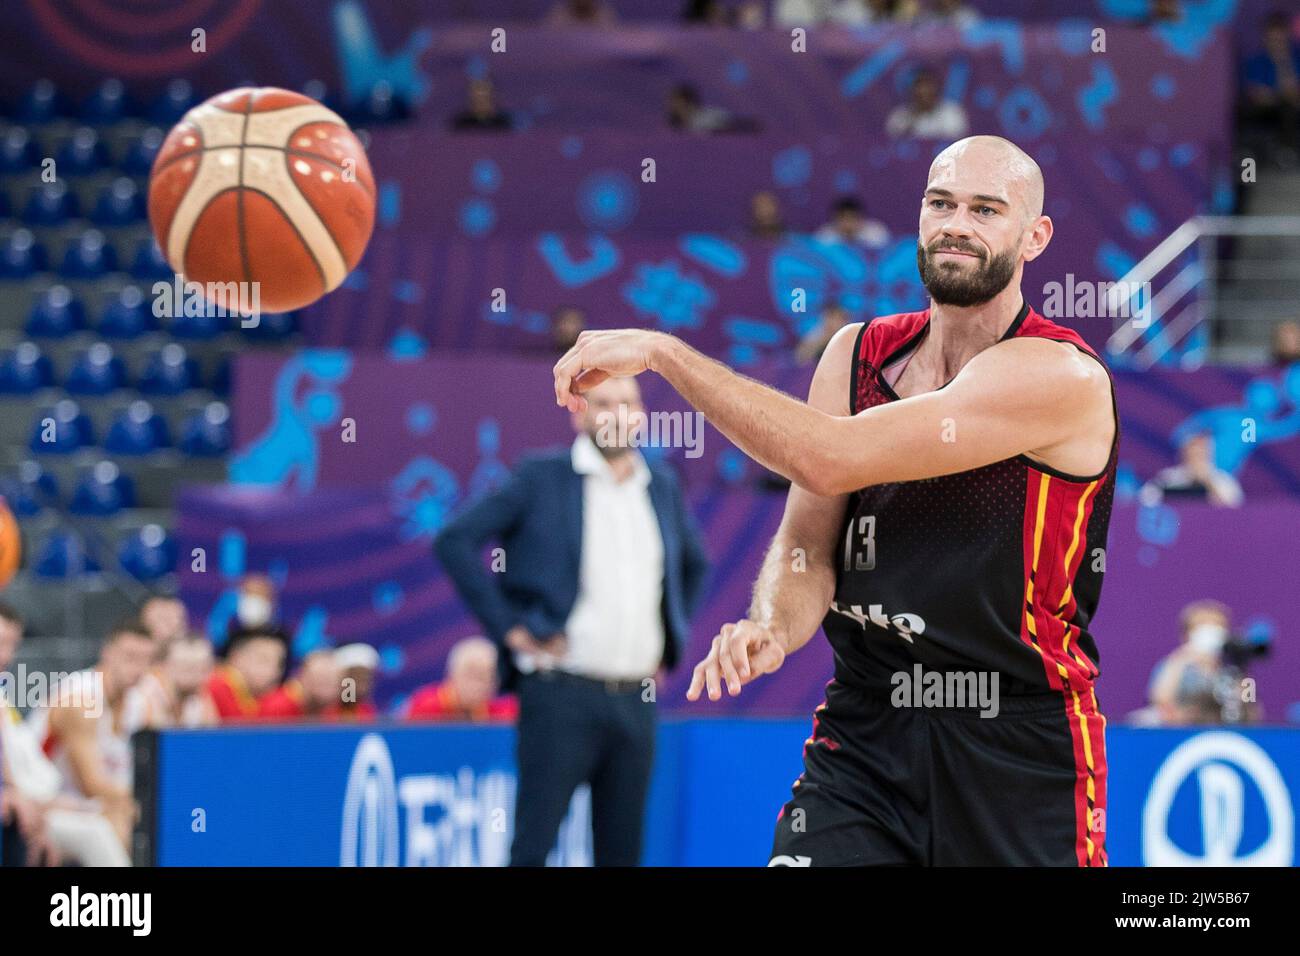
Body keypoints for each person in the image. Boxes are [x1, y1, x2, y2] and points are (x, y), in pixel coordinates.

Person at [553, 135, 1119, 866]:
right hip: (867, 733)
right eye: (941, 203)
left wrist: (666, 354)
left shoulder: (1059, 375)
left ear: (1034, 236)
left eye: (986, 210)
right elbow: (808, 547)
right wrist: (773, 624)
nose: (958, 224)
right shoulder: (854, 355)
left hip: (1015, 744)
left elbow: (827, 455)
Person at [435, 376, 709, 866]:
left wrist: (669, 644)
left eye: (627, 403)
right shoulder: (542, 477)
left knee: (622, 853)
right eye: (603, 404)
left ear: (643, 413)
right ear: (578, 413)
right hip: (560, 694)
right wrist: (511, 629)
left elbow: (694, 564)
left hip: (635, 700)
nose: (617, 414)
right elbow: (455, 540)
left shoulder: (660, 484)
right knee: (533, 847)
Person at [25, 620, 156, 861]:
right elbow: (92, 785)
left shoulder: (141, 703)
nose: (138, 668)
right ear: (107, 653)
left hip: (90, 806)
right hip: (47, 803)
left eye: (146, 659)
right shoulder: (80, 700)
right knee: (117, 818)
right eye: (130, 657)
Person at [1146, 601, 1250, 725]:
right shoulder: (1171, 665)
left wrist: (1241, 669)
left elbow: (1250, 708)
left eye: (1218, 627)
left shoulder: (1232, 669)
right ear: (1187, 635)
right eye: (1203, 627)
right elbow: (1160, 700)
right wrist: (1181, 660)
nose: (1211, 635)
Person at [403, 637, 519, 722]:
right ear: (451, 675)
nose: (479, 685)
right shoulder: (424, 706)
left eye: (489, 678)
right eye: (472, 676)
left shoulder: (503, 713)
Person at [1242, 12, 1300, 167]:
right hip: (1270, 114)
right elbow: (1258, 96)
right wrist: (1285, 94)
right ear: (1265, 39)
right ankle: (1286, 154)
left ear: (1288, 37)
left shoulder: (1297, 59)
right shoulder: (1256, 63)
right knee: (1287, 107)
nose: (1277, 44)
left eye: (1281, 40)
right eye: (1273, 40)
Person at [1139, 432, 1243, 507]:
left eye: (1202, 449)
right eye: (1193, 448)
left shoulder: (1224, 481)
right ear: (1184, 452)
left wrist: (1206, 481)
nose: (1197, 453)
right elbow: (1145, 501)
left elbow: (1233, 514)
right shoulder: (1168, 477)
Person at [207, 625, 288, 721]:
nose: (274, 671)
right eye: (264, 660)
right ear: (236, 657)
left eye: (279, 663)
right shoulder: (215, 684)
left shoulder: (255, 697)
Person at [259, 649, 343, 721]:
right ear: (303, 678)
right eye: (320, 679)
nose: (326, 691)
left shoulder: (341, 708)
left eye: (332, 683)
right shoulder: (277, 707)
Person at [886, 67, 969, 140]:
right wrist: (912, 119)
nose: (924, 91)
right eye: (919, 86)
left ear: (937, 88)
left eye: (928, 86)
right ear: (911, 90)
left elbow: (957, 143)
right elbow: (893, 143)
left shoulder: (952, 112)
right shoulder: (899, 116)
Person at [815, 196, 890, 249]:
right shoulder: (825, 234)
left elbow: (884, 252)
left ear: (861, 218)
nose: (848, 224)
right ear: (835, 220)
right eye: (843, 219)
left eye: (852, 218)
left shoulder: (876, 231)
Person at [334, 643, 380, 720]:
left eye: (366, 677)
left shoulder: (367, 709)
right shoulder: (328, 710)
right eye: (357, 676)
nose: (362, 682)